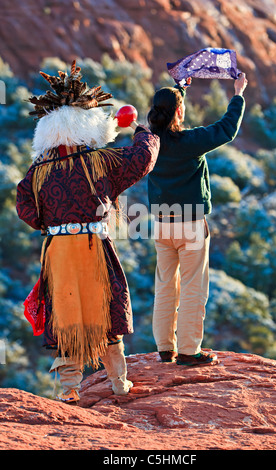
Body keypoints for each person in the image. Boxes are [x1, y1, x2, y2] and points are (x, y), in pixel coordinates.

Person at [16, 60, 160, 403]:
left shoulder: (36, 175)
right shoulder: (100, 161)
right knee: (105, 313)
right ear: (88, 124)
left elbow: (27, 212)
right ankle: (119, 384)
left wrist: (51, 223)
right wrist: (142, 129)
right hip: (94, 245)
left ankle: (69, 390)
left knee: (66, 319)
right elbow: (143, 159)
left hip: (57, 252)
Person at [147, 73, 247, 366]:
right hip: (190, 224)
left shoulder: (148, 140)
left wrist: (180, 90)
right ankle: (189, 351)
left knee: (165, 285)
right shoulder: (190, 141)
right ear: (179, 111)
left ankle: (165, 348)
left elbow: (170, 115)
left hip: (162, 225)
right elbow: (226, 129)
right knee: (193, 286)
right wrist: (238, 94)